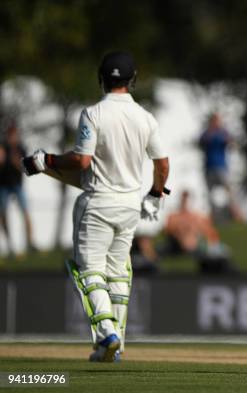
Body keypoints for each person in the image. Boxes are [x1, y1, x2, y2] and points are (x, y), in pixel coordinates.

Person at [21, 51, 170, 362]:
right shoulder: (145, 117)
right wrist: (156, 194)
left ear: (101, 79)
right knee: (117, 274)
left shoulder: (93, 114)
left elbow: (82, 160)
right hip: (130, 206)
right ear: (133, 80)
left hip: (98, 203)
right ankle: (112, 348)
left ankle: (107, 333)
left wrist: (46, 160)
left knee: (88, 271)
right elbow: (162, 162)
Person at [0, 121, 37, 256]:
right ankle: (9, 245)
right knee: (3, 214)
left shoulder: (21, 148)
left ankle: (30, 243)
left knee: (25, 212)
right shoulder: (3, 147)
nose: (12, 137)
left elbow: (23, 168)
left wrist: (15, 159)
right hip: (3, 185)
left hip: (17, 185)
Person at [198, 113, 242, 221]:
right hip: (209, 168)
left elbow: (232, 145)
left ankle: (235, 214)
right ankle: (213, 216)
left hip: (221, 167)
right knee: (210, 194)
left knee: (229, 191)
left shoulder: (223, 133)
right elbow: (201, 142)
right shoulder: (206, 133)